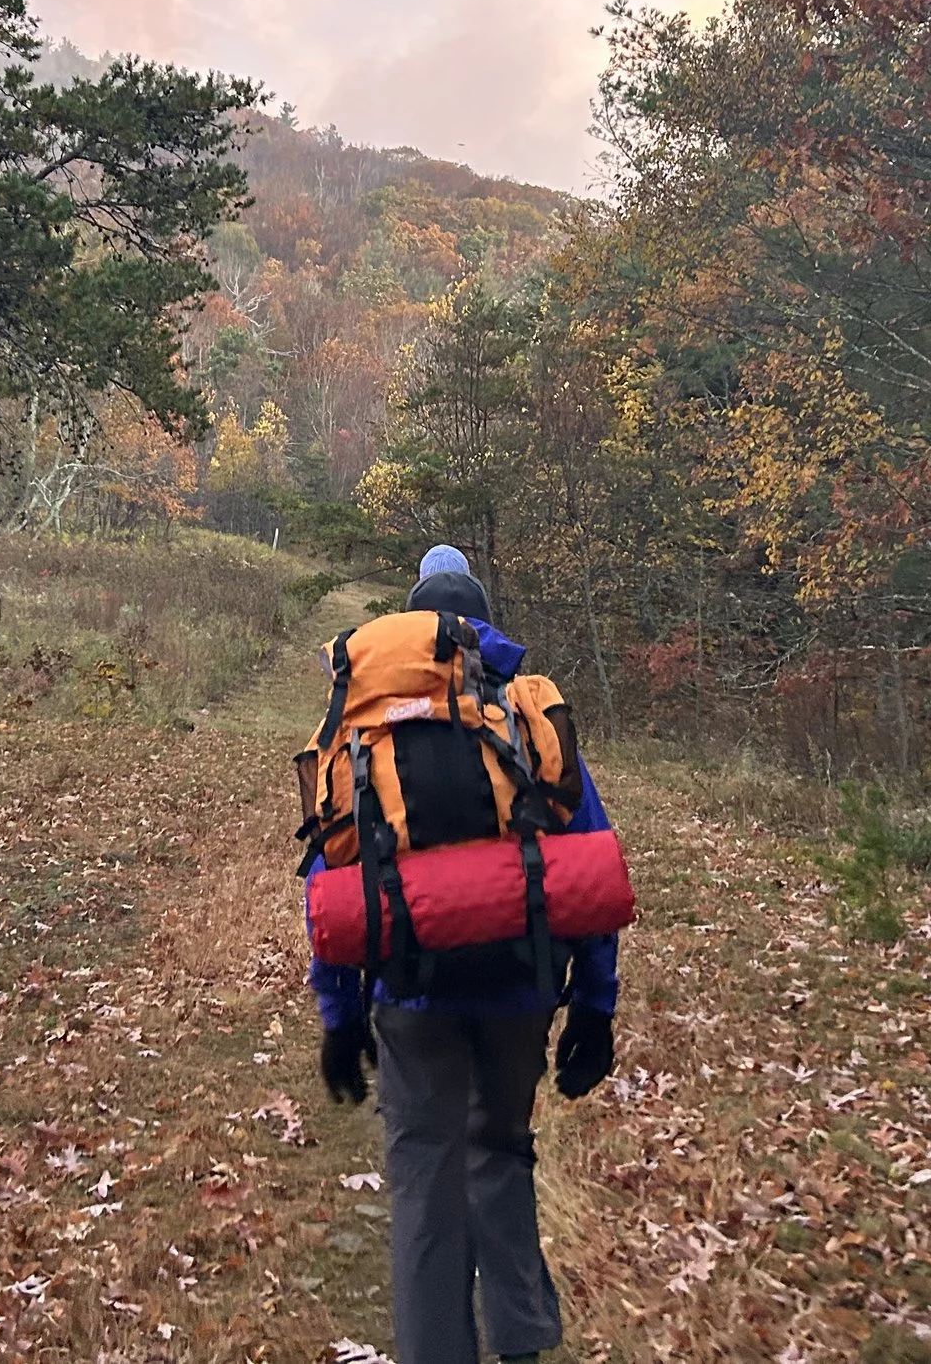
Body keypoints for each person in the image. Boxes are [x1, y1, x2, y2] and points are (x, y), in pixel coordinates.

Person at [308, 544, 619, 1364]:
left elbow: (330, 871)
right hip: (521, 985)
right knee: (502, 1151)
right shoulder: (522, 708)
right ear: (480, 620)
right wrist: (596, 1002)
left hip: (411, 993)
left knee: (422, 1179)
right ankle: (519, 1344)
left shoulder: (367, 723)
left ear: (416, 620)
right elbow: (588, 855)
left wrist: (339, 1016)